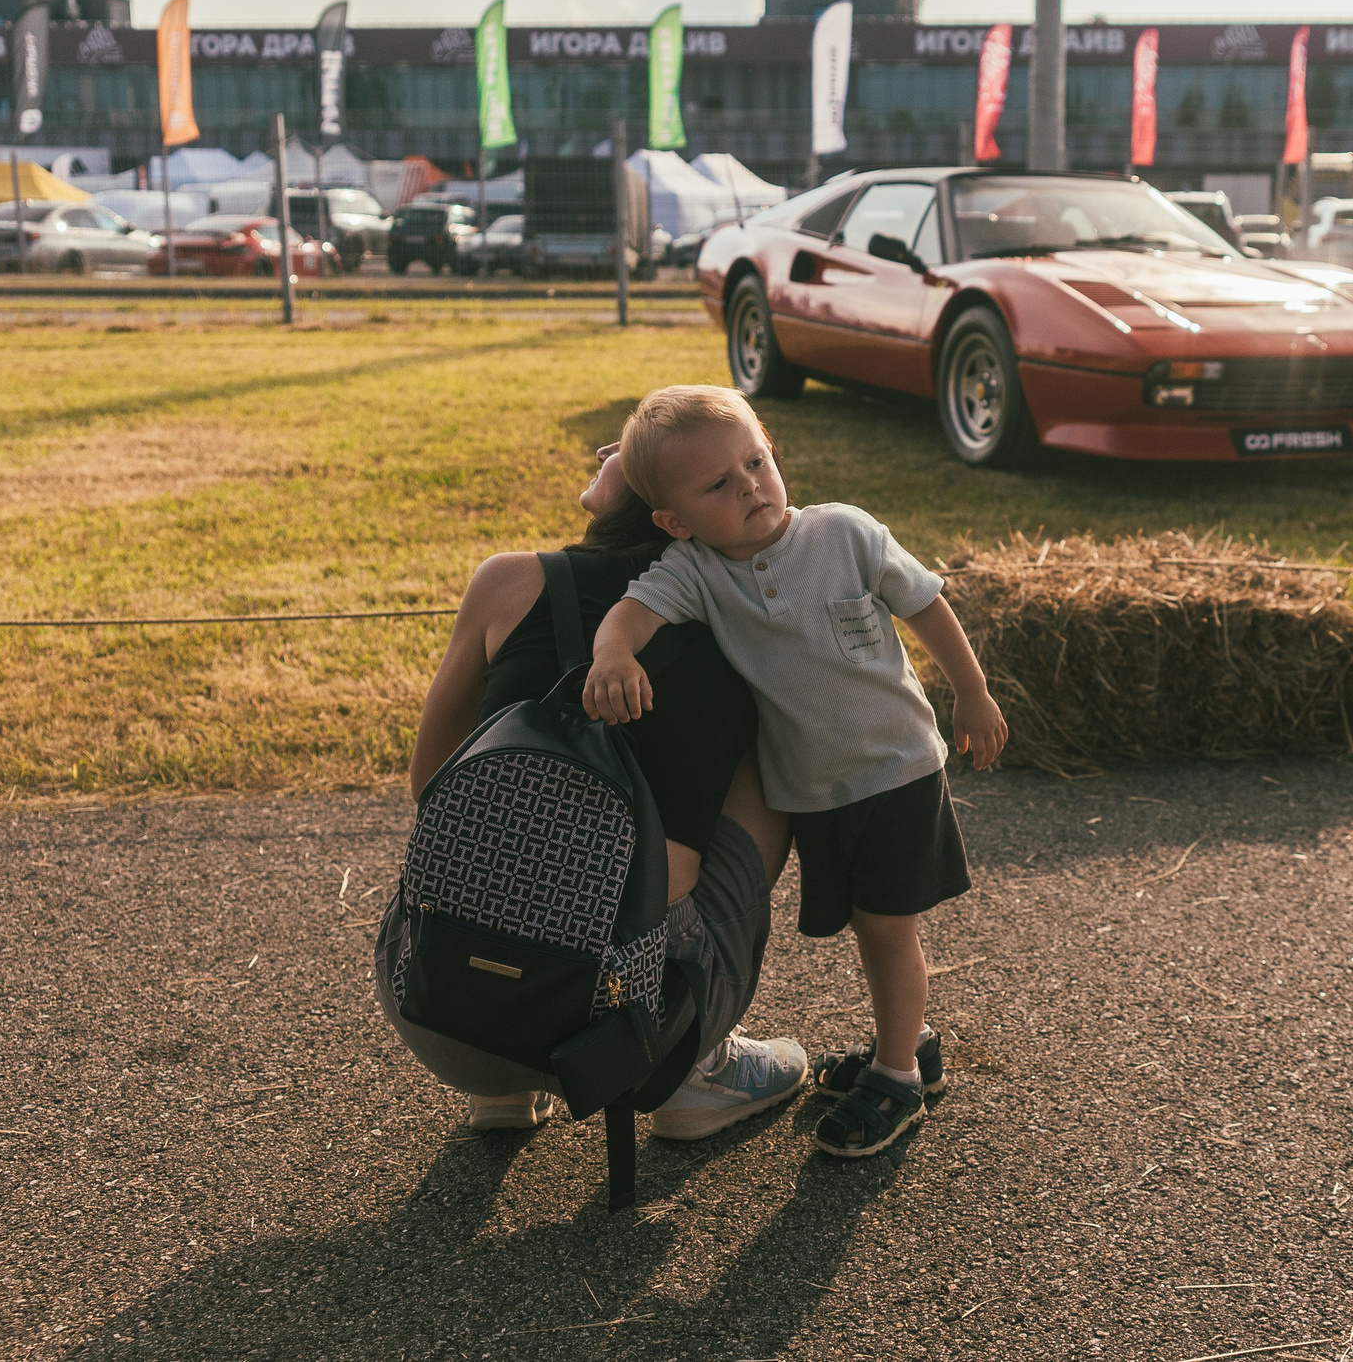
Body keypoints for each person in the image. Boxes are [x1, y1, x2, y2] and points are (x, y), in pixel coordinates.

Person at [582, 385, 1006, 1159]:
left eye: (756, 461)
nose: (748, 485)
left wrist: (972, 695)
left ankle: (899, 1078)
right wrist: (612, 654)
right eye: (717, 484)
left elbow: (928, 605)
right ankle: (908, 1044)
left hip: (898, 768)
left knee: (886, 928)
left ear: (773, 452)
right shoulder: (697, 570)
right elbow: (633, 613)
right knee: (866, 928)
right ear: (674, 521)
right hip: (815, 791)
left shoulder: (842, 532)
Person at [385, 441, 809, 1139]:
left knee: (479, 806)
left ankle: (501, 1090)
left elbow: (429, 780)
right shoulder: (741, 618)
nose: (612, 446)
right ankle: (694, 1073)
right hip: (631, 1032)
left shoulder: (507, 582)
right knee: (771, 759)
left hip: (439, 1006)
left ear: (667, 507)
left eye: (633, 444)